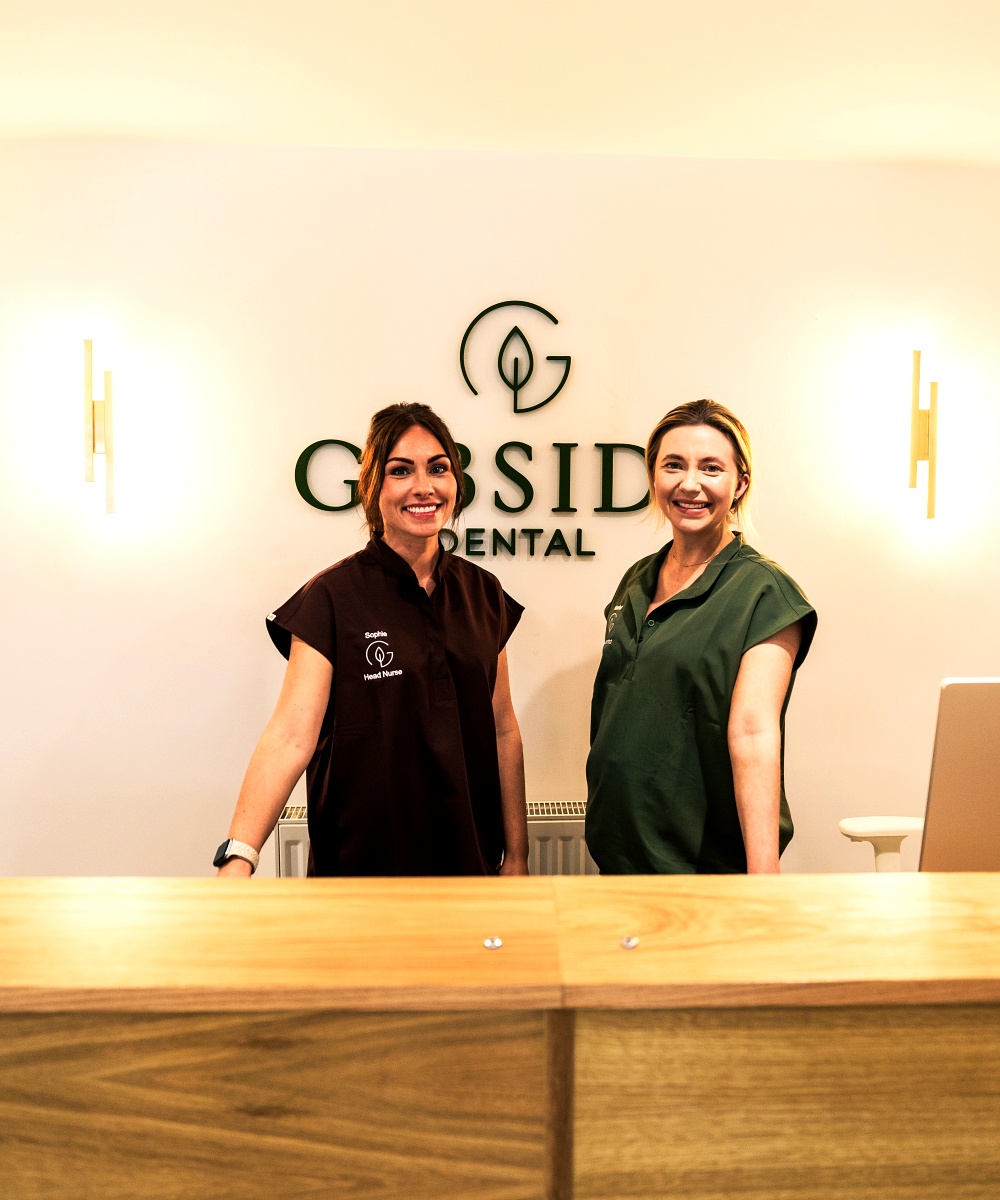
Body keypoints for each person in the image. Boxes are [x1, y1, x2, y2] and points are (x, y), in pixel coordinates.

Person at [215, 402, 529, 878]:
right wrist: (240, 856)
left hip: (469, 866)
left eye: (438, 468)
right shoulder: (332, 598)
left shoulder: (483, 594)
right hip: (359, 872)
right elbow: (290, 737)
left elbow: (503, 729)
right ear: (372, 486)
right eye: (400, 471)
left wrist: (517, 856)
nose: (423, 487)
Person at [585, 399, 816, 875]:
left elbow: (753, 733)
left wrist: (763, 876)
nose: (690, 483)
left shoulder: (764, 592)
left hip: (701, 868)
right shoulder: (637, 578)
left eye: (711, 468)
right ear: (654, 477)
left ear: (739, 484)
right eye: (674, 465)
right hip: (618, 857)